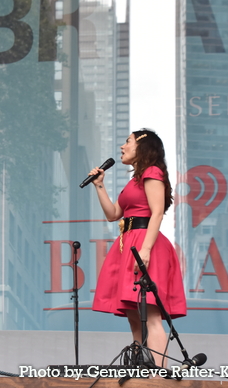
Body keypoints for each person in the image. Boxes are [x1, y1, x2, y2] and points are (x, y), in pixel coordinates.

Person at [88, 129, 186, 368]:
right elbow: (113, 214)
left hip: (144, 242)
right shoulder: (134, 181)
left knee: (150, 314)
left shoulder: (152, 172)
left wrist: (146, 249)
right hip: (128, 242)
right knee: (134, 315)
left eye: (127, 141)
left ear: (142, 146)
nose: (122, 146)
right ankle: (140, 366)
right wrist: (99, 185)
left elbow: (156, 213)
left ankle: (159, 375)